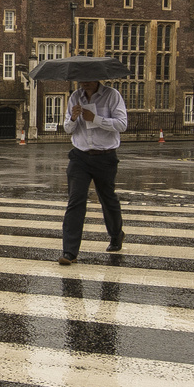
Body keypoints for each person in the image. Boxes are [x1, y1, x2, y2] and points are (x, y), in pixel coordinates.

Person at [58, 78, 128, 265]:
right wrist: (73, 118)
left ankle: (116, 235)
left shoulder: (112, 95)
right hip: (80, 156)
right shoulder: (75, 97)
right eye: (81, 80)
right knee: (75, 200)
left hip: (105, 156)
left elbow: (122, 124)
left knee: (107, 198)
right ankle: (69, 251)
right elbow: (67, 128)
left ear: (97, 79)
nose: (84, 83)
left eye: (88, 80)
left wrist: (95, 119)